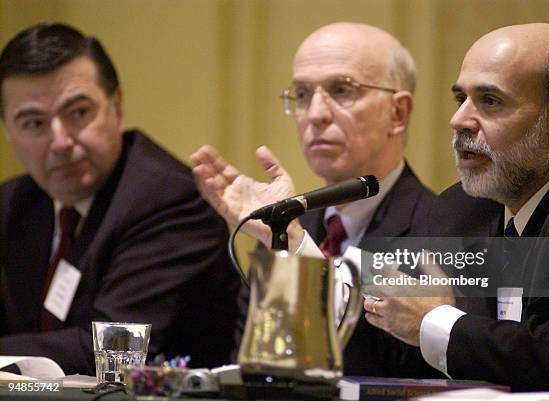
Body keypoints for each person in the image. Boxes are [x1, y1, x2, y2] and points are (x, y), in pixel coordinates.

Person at [361, 23, 549, 390]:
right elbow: (398, 349)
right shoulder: (461, 209)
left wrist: (435, 321)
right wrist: (298, 250)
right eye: (460, 98)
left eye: (490, 101)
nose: (459, 120)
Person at [191, 22, 437, 377]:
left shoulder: (437, 228)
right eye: (302, 94)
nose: (316, 114)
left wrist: (296, 246)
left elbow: (377, 369)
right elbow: (251, 371)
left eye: (341, 90)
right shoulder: (282, 231)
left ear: (397, 113)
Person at [0, 22, 241, 375]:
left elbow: (116, 351)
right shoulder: (13, 204)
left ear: (117, 105)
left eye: (79, 113)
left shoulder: (173, 201)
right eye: (34, 123)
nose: (61, 142)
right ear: (7, 131)